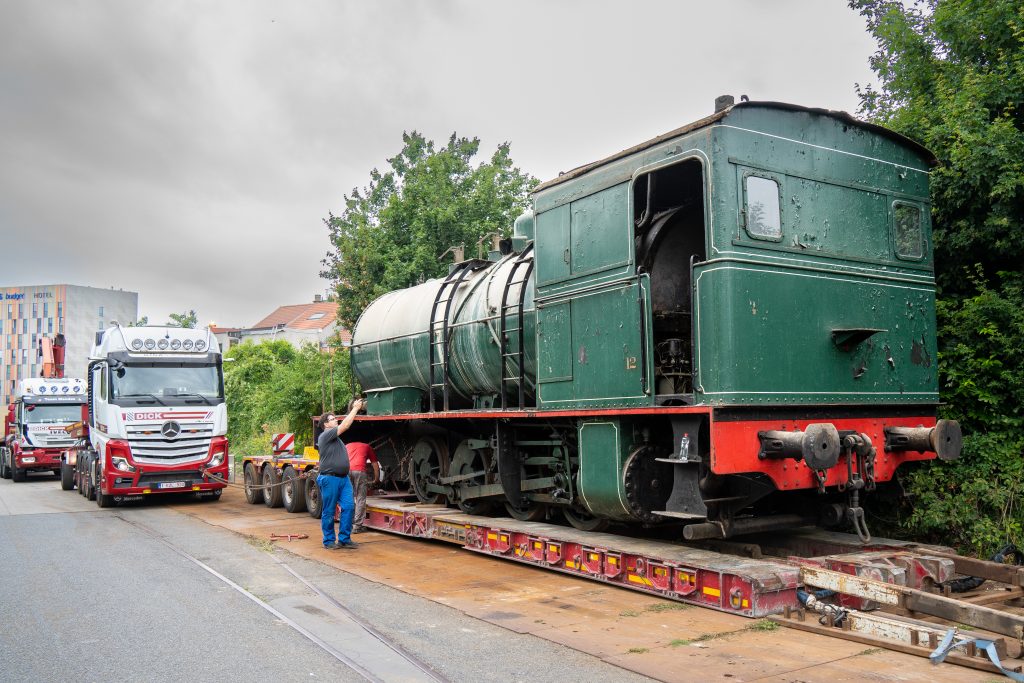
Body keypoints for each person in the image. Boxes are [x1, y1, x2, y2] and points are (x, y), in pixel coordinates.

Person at [316, 399, 364, 549]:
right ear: (325, 424)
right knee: (329, 511)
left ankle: (344, 538)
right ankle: (329, 541)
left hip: (343, 479)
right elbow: (346, 425)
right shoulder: (325, 436)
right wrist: (355, 409)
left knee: (349, 507)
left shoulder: (336, 439)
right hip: (330, 479)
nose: (335, 420)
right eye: (332, 419)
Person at [346, 441, 378, 533]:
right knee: (360, 498)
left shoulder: (347, 446)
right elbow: (375, 464)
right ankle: (357, 526)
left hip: (347, 471)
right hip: (360, 471)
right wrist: (376, 479)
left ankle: (349, 523)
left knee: (349, 497)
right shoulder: (367, 447)